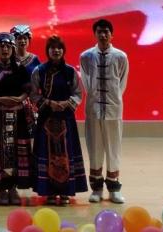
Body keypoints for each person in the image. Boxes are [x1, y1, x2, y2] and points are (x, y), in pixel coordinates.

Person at [31, 35, 88, 205]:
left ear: (63, 51)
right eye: (52, 48)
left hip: (65, 119)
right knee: (47, 153)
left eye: (59, 48)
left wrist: (66, 103)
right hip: (46, 119)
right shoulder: (39, 71)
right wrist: (49, 103)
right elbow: (34, 94)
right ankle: (48, 192)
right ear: (47, 51)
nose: (56, 51)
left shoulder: (70, 71)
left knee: (65, 153)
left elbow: (78, 93)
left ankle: (65, 191)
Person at [0, 32, 34, 205]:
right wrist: (0, 100)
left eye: (8, 46)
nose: (5, 49)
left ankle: (13, 188)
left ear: (12, 49)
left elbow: (27, 90)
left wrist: (19, 99)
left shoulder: (20, 69)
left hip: (17, 118)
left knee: (15, 153)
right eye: (1, 47)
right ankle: (2, 189)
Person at [80, 18, 128, 204]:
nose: (103, 35)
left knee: (113, 150)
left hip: (113, 110)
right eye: (99, 31)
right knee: (95, 149)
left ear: (111, 34)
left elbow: (121, 83)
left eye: (106, 31)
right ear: (95, 34)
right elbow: (86, 83)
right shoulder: (86, 57)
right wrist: (96, 99)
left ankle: (114, 188)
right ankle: (97, 188)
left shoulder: (121, 57)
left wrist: (112, 100)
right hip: (93, 110)